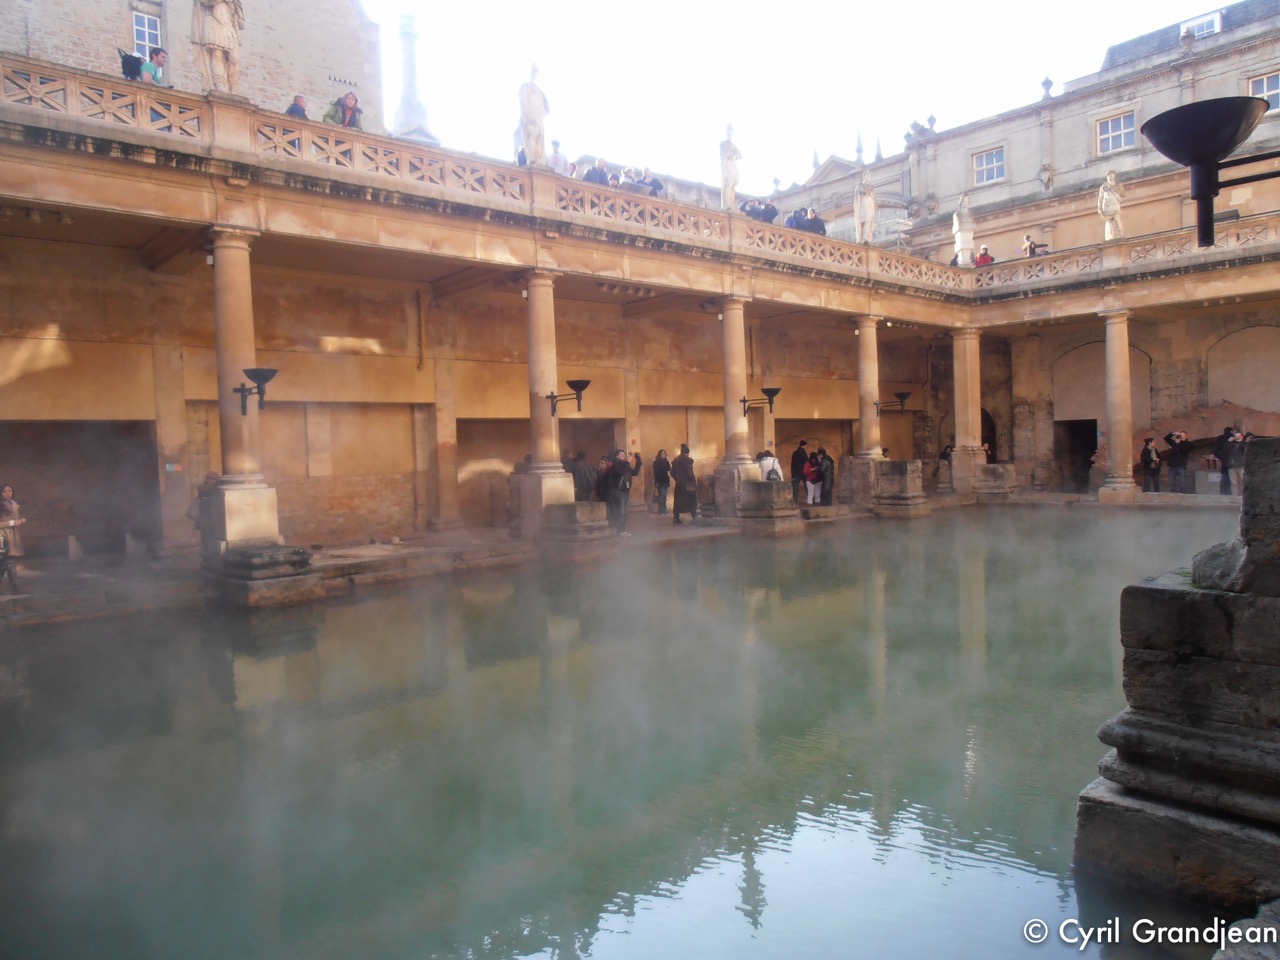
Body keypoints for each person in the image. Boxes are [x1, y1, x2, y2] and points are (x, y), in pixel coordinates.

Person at [192, 0, 244, 94]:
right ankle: (219, 83)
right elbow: (204, 2)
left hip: (228, 26)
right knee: (217, 54)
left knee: (234, 59)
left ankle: (233, 87)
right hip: (214, 22)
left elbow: (241, 21)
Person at [604, 448, 641, 536]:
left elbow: (635, 472)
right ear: (617, 456)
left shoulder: (625, 464)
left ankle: (621, 529)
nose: (623, 456)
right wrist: (627, 462)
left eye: (624, 454)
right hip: (618, 491)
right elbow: (621, 473)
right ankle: (620, 530)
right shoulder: (615, 465)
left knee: (624, 511)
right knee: (620, 511)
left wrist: (638, 460)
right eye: (621, 454)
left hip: (625, 491)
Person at [518, 66, 549, 166]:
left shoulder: (540, 92)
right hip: (531, 117)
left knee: (539, 137)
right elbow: (523, 101)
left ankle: (538, 160)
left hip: (538, 117)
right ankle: (532, 159)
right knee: (533, 135)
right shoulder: (526, 87)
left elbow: (547, 108)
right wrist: (527, 116)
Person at [0, 483, 25, 593]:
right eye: (4, 491)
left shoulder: (14, 504)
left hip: (12, 537)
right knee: (7, 562)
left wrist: (20, 520)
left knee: (7, 562)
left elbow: (16, 517)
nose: (7, 494)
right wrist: (14, 522)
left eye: (9, 491)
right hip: (2, 536)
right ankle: (17, 589)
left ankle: (16, 589)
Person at [671, 443, 698, 524]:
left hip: (679, 484)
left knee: (678, 501)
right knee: (692, 500)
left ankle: (676, 517)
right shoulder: (688, 461)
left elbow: (672, 473)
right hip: (688, 484)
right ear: (687, 453)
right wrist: (692, 481)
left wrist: (678, 480)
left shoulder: (676, 460)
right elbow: (690, 473)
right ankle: (694, 516)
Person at [720, 124, 742, 211]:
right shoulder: (723, 144)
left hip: (734, 165)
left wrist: (737, 153)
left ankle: (730, 203)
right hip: (727, 166)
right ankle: (726, 204)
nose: (730, 133)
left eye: (731, 131)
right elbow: (726, 154)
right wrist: (732, 152)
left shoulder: (734, 145)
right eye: (729, 131)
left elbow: (739, 156)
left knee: (733, 184)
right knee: (728, 183)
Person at [1098, 170, 1124, 241]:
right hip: (1106, 207)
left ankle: (1121, 235)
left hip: (1115, 205)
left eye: (1112, 175)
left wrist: (1113, 191)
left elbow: (1122, 194)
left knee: (1117, 219)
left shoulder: (1118, 185)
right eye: (1109, 175)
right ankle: (1110, 237)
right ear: (1107, 177)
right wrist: (1100, 210)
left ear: (1114, 176)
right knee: (1109, 221)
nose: (1110, 176)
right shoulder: (1103, 187)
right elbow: (1100, 199)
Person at [952, 193, 975, 266]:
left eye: (967, 201)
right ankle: (963, 262)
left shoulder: (971, 214)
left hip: (968, 232)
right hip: (961, 234)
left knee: (968, 245)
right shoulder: (957, 215)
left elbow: (973, 225)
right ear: (961, 202)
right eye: (964, 201)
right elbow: (956, 227)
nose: (965, 202)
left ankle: (966, 261)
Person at [1213, 426, 1236, 494]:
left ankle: (1224, 492)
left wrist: (1221, 457)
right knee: (1234, 478)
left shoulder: (1221, 438)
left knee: (1224, 477)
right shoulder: (1233, 438)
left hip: (1224, 460)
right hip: (1233, 460)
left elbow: (1215, 451)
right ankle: (1232, 492)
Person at [652, 448, 671, 515]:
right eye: (662, 453)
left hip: (665, 481)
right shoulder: (656, 462)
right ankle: (661, 510)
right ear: (659, 454)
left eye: (664, 453)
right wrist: (657, 482)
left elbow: (669, 469)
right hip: (660, 481)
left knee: (664, 496)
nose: (663, 455)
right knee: (661, 496)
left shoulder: (666, 462)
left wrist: (668, 461)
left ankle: (664, 509)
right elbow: (656, 473)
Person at [1228, 430, 1247, 497]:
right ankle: (1235, 496)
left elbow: (1244, 450)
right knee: (1234, 482)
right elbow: (1225, 451)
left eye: (1239, 436)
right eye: (1236, 436)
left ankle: (1243, 495)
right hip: (1232, 465)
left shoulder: (1244, 443)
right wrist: (1229, 442)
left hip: (1241, 465)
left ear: (1242, 437)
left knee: (1242, 481)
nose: (1237, 438)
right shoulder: (1232, 444)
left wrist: (1241, 441)